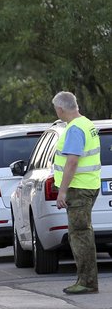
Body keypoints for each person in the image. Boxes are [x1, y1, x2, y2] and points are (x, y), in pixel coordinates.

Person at [51, 91, 101, 295]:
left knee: (80, 235)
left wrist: (62, 192)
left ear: (61, 109)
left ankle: (87, 282)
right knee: (82, 233)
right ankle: (86, 279)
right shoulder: (87, 123)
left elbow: (72, 161)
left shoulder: (74, 129)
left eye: (56, 109)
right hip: (88, 185)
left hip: (79, 189)